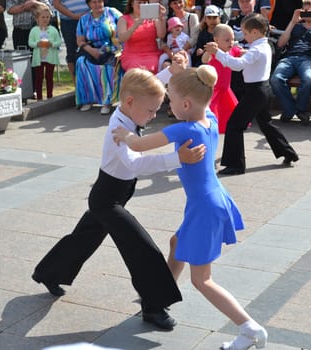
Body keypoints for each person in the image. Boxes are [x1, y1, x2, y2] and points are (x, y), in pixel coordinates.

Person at [32, 67, 207, 331]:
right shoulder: (118, 129)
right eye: (151, 111)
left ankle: (48, 273)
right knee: (141, 248)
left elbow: (145, 85)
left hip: (116, 192)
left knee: (83, 238)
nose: (153, 116)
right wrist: (176, 158)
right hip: (107, 199)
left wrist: (169, 70)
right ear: (129, 102)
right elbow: (135, 164)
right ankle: (154, 307)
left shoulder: (131, 105)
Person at [112, 65, 268, 350]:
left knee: (203, 281)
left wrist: (123, 135)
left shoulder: (183, 128)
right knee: (176, 242)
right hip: (213, 198)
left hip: (204, 207)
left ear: (185, 104)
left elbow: (140, 143)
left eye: (169, 100)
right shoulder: (209, 117)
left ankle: (249, 329)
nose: (167, 105)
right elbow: (202, 96)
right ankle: (160, 297)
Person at [205, 13, 299, 175]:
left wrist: (219, 53)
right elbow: (250, 58)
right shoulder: (264, 45)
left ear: (255, 32)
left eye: (246, 33)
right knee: (266, 124)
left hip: (255, 92)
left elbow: (237, 66)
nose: (244, 37)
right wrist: (244, 53)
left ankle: (236, 165)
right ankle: (288, 153)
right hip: (263, 90)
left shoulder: (257, 49)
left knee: (234, 126)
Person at [270, 0, 311, 125]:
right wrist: (293, 22)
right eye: (305, 10)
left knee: (309, 79)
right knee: (275, 79)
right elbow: (280, 43)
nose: (307, 13)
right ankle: (291, 110)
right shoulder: (295, 26)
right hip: (289, 58)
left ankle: (299, 109)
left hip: (308, 59)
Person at [75, 0, 122, 113]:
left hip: (114, 49)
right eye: (94, 2)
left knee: (108, 66)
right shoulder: (84, 19)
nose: (97, 5)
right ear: (89, 4)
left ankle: (107, 102)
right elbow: (80, 41)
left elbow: (124, 29)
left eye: (100, 1)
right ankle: (87, 100)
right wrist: (91, 50)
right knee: (81, 62)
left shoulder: (113, 13)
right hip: (93, 50)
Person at [201, 23, 240, 133]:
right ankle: (209, 125)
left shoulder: (233, 51)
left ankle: (228, 125)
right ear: (216, 40)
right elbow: (204, 60)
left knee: (229, 108)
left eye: (232, 39)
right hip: (214, 88)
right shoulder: (213, 52)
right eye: (227, 40)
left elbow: (243, 54)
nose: (231, 43)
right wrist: (208, 51)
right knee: (212, 108)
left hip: (226, 87)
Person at [117, 0, 167, 74]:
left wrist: (161, 18)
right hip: (132, 55)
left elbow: (161, 35)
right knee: (137, 71)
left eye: (144, 2)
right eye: (139, 2)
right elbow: (122, 38)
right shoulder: (124, 19)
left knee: (153, 67)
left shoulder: (153, 18)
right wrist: (136, 24)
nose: (142, 5)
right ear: (132, 4)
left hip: (152, 54)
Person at [28, 4, 61, 100]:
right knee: (39, 78)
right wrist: (37, 44)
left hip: (50, 58)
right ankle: (39, 97)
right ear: (37, 18)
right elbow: (30, 42)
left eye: (47, 17)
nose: (45, 19)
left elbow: (58, 41)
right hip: (39, 58)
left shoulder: (53, 30)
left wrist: (52, 44)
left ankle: (50, 96)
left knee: (49, 77)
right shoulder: (34, 30)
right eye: (43, 17)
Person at [52, 0, 89, 80]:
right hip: (68, 21)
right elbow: (56, 3)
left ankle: (90, 83)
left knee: (90, 50)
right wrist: (73, 15)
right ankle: (76, 85)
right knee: (72, 52)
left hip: (89, 19)